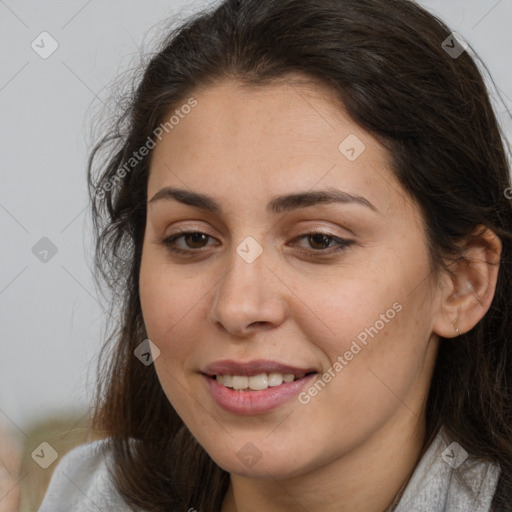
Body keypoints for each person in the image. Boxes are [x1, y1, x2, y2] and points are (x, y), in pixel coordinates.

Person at [37, 0, 512, 511]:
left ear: (463, 282)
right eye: (193, 238)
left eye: (319, 240)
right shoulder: (89, 494)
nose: (238, 307)